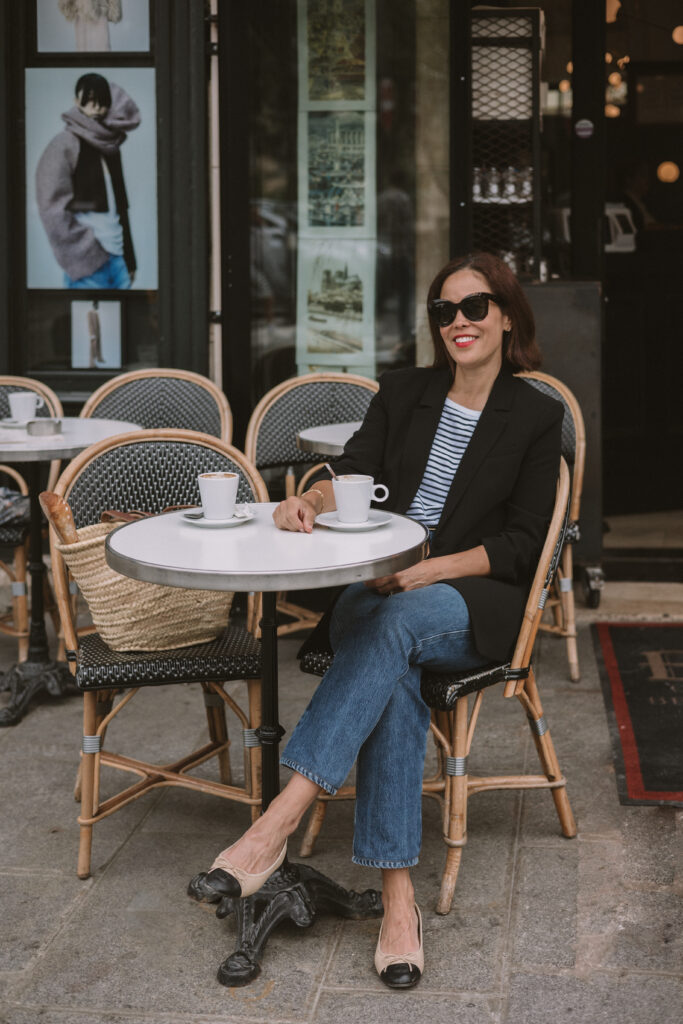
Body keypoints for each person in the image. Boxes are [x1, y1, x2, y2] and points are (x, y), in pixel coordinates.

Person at [201, 252, 563, 989]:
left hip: (465, 598)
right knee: (389, 658)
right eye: (443, 310)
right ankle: (398, 899)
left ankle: (275, 824)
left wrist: (430, 567)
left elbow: (525, 544)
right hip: (375, 590)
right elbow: (352, 473)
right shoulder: (403, 391)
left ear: (506, 316)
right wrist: (307, 499)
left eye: (474, 307)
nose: (458, 322)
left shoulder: (533, 413)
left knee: (394, 625)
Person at [35, 72, 139, 289]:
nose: (95, 106)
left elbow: (121, 207)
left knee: (123, 322)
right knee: (89, 322)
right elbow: (51, 207)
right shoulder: (65, 144)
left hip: (119, 260)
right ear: (76, 101)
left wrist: (130, 259)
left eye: (101, 100)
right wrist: (84, 253)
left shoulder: (110, 144)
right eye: (88, 99)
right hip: (89, 265)